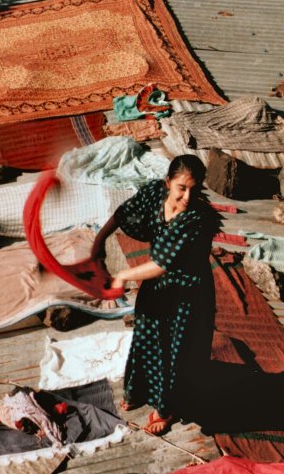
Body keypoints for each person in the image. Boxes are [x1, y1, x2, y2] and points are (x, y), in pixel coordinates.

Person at [91, 154, 220, 435]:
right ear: (168, 183)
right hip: (158, 285)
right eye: (181, 188)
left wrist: (123, 276)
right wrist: (98, 242)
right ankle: (138, 391)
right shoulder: (153, 193)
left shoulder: (197, 219)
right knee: (148, 334)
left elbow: (162, 264)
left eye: (195, 190)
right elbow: (122, 213)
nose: (187, 196)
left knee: (175, 349)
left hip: (188, 292)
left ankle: (166, 408)